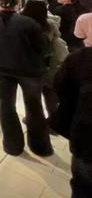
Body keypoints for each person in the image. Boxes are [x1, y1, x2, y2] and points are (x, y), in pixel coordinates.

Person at [0, 0, 52, 156]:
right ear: (17, 4)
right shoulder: (28, 23)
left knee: (6, 106)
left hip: (2, 69)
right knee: (34, 106)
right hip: (30, 71)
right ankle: (40, 147)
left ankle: (12, 146)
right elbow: (43, 48)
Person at [49, 41, 92, 197]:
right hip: (85, 141)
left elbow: (60, 86)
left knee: (83, 189)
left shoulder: (83, 57)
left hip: (86, 140)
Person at [21, 0, 68, 119]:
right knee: (49, 94)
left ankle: (33, 119)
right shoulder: (49, 24)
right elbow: (57, 36)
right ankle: (53, 120)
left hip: (27, 65)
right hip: (47, 64)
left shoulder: (21, 24)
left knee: (31, 97)